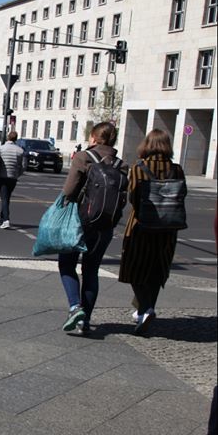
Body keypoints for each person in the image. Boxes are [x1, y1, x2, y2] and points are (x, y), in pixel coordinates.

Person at [58, 121, 126, 337]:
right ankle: (85, 320)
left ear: (95, 138)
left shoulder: (83, 157)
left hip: (80, 221)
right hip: (105, 224)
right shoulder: (122, 165)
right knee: (91, 269)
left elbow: (69, 191)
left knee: (67, 263)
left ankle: (74, 307)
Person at [119, 129, 186, 336]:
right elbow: (182, 194)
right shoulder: (177, 169)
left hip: (141, 225)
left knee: (134, 268)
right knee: (157, 269)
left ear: (147, 145)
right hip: (167, 227)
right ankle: (146, 310)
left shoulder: (138, 168)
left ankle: (145, 308)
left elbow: (133, 197)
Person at [0, 130, 25, 229]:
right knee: (7, 197)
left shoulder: (1, 148)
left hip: (2, 176)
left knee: (4, 198)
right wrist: (18, 174)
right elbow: (23, 165)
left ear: (8, 137)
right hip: (13, 177)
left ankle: (6, 220)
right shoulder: (20, 150)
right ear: (16, 139)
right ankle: (2, 216)